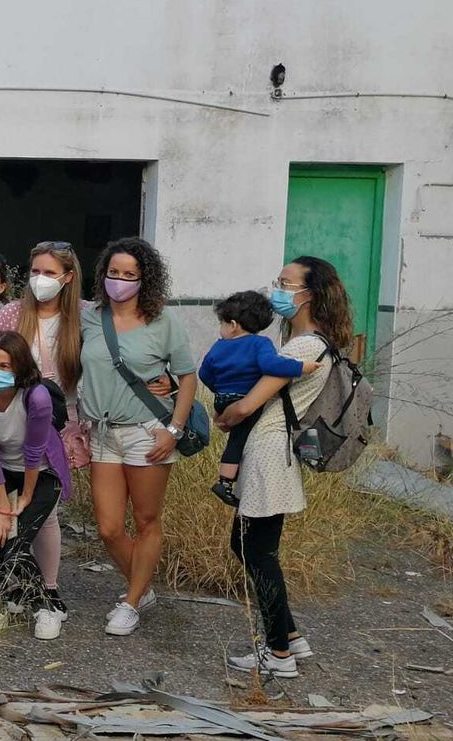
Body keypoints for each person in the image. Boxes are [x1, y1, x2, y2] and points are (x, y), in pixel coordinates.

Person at [215, 256, 351, 678]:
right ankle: (290, 637)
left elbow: (250, 404)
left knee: (258, 552)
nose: (278, 288)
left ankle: (278, 655)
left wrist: (226, 415)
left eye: (287, 283)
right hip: (270, 452)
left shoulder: (304, 346)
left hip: (270, 453)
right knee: (250, 547)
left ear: (309, 294)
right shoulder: (311, 342)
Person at [78, 236, 199, 637]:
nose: (120, 281)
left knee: (147, 520)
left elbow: (186, 376)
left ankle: (131, 602)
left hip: (147, 432)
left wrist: (174, 430)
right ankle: (141, 585)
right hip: (103, 432)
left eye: (130, 274)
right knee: (109, 527)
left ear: (145, 279)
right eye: (114, 272)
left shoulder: (162, 321)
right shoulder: (91, 317)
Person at [0, 240, 90, 623]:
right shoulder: (12, 314)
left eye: (49, 273)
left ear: (68, 277)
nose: (40, 280)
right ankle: (16, 581)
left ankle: (48, 588)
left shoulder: (86, 317)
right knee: (8, 503)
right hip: (10, 416)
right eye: (34, 272)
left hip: (58, 423)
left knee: (44, 509)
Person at [0, 331, 72, 641]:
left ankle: (46, 608)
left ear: (20, 367)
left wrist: (25, 498)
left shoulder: (37, 397)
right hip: (1, 471)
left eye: (4, 366)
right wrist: (2, 506)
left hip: (40, 473)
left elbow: (35, 452)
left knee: (17, 545)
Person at [199, 291, 320, 507]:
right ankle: (225, 482)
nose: (221, 329)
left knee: (236, 438)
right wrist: (302, 366)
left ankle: (227, 479)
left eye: (222, 324)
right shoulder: (260, 343)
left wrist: (221, 392)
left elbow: (204, 374)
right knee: (241, 439)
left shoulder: (218, 346)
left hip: (223, 398)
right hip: (246, 399)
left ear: (233, 324)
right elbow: (271, 366)